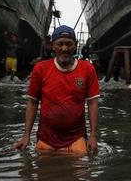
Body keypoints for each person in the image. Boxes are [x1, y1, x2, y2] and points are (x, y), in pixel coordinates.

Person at [13, 25, 100, 153]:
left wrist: (93, 136)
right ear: (53, 46)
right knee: (44, 170)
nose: (64, 48)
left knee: (80, 170)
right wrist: (26, 135)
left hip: (76, 138)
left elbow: (93, 103)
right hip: (46, 138)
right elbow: (32, 103)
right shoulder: (40, 69)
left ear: (75, 45)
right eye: (60, 44)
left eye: (69, 44)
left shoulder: (87, 69)